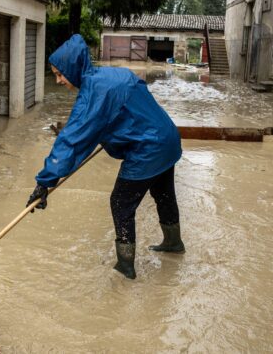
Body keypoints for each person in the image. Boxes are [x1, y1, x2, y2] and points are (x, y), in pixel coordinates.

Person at [26, 35, 183, 280]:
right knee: (163, 194)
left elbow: (71, 141)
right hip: (168, 139)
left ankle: (125, 268)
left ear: (72, 68)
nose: (58, 81)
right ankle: (173, 244)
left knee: (120, 202)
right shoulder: (111, 75)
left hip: (148, 149)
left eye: (60, 74)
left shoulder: (93, 95)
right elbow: (132, 109)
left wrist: (44, 182)